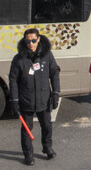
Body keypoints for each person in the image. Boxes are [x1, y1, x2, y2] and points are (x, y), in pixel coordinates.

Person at [9, 29, 60, 166]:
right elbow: (13, 80)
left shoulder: (47, 55)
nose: (30, 44)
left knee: (47, 126)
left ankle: (47, 147)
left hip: (44, 99)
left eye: (33, 40)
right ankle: (28, 154)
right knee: (26, 129)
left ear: (38, 39)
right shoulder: (18, 59)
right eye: (27, 41)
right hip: (26, 100)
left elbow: (54, 73)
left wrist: (56, 93)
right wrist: (14, 100)